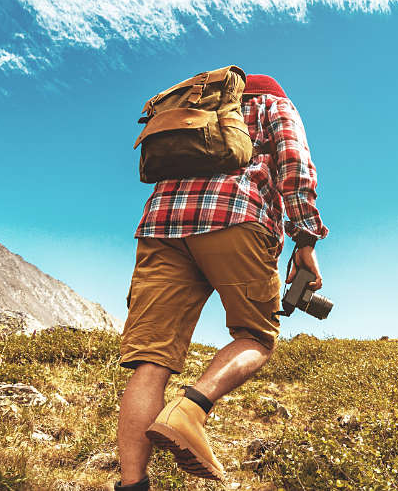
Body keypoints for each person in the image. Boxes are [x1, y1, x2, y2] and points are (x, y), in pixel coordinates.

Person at [114, 74, 327, 490]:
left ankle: (132, 484)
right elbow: (295, 165)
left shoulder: (193, 110)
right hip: (235, 216)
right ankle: (190, 409)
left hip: (161, 225)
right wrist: (305, 239)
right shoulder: (272, 105)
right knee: (256, 337)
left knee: (151, 360)